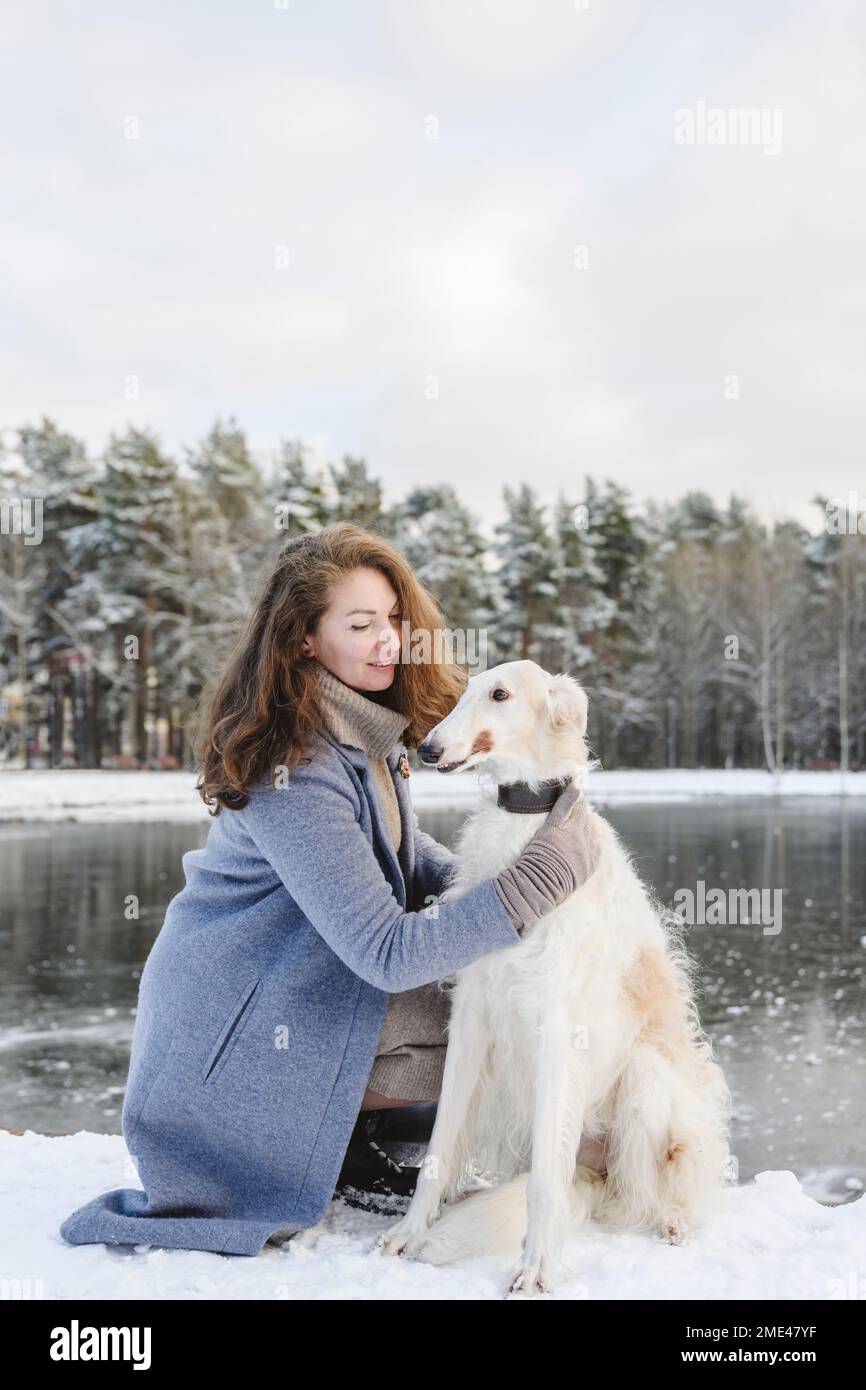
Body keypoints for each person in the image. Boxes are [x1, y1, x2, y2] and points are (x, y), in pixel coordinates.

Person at [59, 523, 601, 1256]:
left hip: (294, 990)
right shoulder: (296, 765)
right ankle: (319, 1138)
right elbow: (385, 951)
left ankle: (354, 1134)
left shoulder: (360, 733)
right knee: (496, 1010)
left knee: (519, 995)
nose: (388, 640)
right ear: (304, 642)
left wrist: (514, 868)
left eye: (393, 619)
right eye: (360, 624)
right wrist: (533, 884)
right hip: (229, 1052)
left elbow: (409, 867)